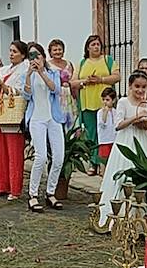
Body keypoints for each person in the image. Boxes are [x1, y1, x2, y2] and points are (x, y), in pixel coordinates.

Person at [96, 71, 147, 230]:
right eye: (137, 86)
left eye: (143, 87)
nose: (140, 90)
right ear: (130, 86)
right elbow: (118, 125)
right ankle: (120, 215)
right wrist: (135, 118)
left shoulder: (146, 104)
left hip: (143, 142)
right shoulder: (124, 102)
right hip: (126, 141)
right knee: (124, 176)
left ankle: (141, 218)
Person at [23, 42, 65, 212]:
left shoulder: (53, 72)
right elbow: (26, 95)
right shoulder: (28, 75)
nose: (35, 58)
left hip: (53, 118)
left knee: (59, 157)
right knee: (41, 157)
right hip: (36, 118)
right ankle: (32, 195)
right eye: (31, 55)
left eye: (37, 55)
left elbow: (56, 89)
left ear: (43, 56)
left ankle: (50, 192)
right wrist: (28, 75)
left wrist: (41, 72)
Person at [0, 41, 30, 201]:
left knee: (14, 154)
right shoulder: (5, 69)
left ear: (22, 54)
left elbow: (18, 91)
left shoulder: (25, 70)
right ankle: (2, 186)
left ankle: (15, 189)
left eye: (15, 51)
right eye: (10, 50)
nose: (11, 54)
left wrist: (1, 82)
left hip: (13, 115)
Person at [76, 35, 119, 172]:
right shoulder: (83, 63)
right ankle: (93, 162)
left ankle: (105, 162)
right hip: (88, 103)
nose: (96, 47)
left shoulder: (108, 60)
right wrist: (85, 82)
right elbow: (73, 82)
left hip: (106, 104)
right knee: (91, 134)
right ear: (87, 47)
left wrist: (101, 79)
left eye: (98, 44)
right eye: (93, 44)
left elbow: (117, 77)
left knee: (106, 133)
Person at [46, 38, 76, 127]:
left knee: (71, 121)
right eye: (54, 50)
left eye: (59, 49)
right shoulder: (47, 65)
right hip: (56, 96)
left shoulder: (68, 64)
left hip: (68, 95)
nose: (57, 52)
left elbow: (73, 79)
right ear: (50, 52)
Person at [96, 86, 118, 175]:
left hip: (113, 138)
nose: (105, 102)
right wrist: (105, 112)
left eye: (107, 99)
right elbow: (102, 124)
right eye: (104, 99)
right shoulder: (100, 112)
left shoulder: (115, 112)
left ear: (113, 100)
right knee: (103, 159)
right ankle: (103, 174)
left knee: (112, 159)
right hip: (104, 139)